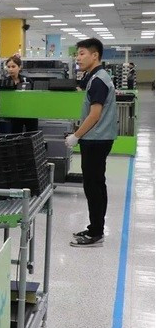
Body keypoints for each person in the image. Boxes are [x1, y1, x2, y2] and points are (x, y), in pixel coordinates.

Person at [68, 38, 117, 247]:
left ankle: (95, 233)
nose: (77, 58)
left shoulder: (98, 80)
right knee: (97, 184)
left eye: (81, 53)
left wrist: (76, 135)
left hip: (96, 139)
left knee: (93, 186)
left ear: (94, 55)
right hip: (99, 138)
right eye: (77, 54)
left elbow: (94, 114)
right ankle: (95, 227)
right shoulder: (96, 76)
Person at [2, 55, 38, 134]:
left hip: (29, 113)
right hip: (14, 114)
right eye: (8, 67)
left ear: (19, 67)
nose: (10, 69)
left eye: (13, 66)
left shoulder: (27, 80)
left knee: (32, 135)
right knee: (15, 136)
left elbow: (35, 96)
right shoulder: (4, 82)